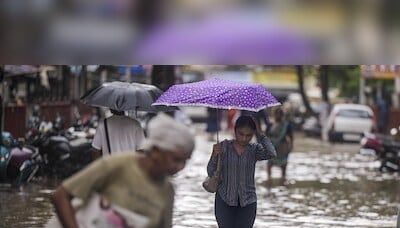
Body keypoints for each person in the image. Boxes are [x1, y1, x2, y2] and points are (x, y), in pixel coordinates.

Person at [52, 113, 195, 228]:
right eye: (176, 159)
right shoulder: (115, 165)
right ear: (156, 151)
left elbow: (95, 150)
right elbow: (61, 195)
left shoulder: (167, 191)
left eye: (185, 161)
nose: (180, 167)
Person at [207, 115, 276, 228]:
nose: (244, 138)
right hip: (224, 201)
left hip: (248, 202)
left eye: (248, 135)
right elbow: (210, 172)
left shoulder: (255, 150)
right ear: (235, 131)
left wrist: (260, 133)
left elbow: (271, 153)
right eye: (241, 134)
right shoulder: (223, 147)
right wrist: (214, 155)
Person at [267, 108, 293, 185]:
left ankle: (283, 181)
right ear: (274, 115)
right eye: (276, 114)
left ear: (282, 115)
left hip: (282, 148)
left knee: (283, 165)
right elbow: (266, 136)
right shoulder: (270, 124)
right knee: (270, 164)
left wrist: (290, 146)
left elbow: (291, 137)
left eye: (279, 114)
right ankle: (269, 180)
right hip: (273, 148)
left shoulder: (287, 125)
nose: (278, 116)